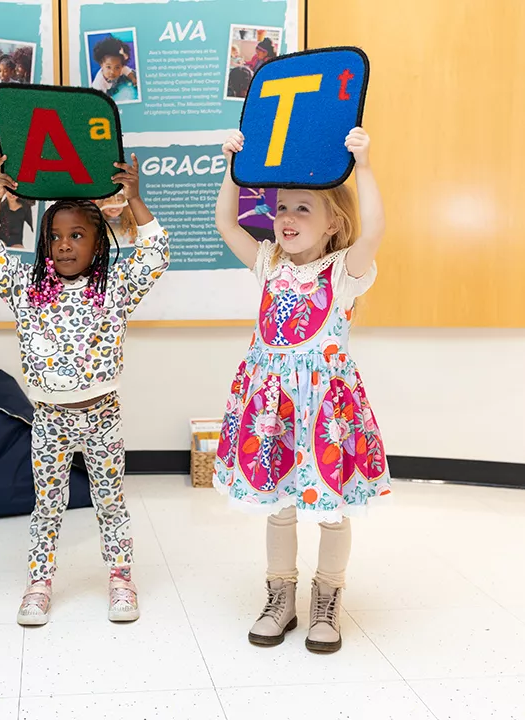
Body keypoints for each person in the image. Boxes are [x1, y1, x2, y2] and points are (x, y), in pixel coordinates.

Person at [0, 154, 168, 626]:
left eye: (76, 235)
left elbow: (156, 251)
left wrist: (135, 199)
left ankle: (121, 578)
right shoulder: (27, 287)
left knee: (110, 498)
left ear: (100, 242)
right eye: (55, 237)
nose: (63, 245)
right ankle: (39, 583)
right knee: (48, 504)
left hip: (102, 416)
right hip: (51, 419)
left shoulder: (114, 287)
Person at [213, 127, 389, 654]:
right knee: (279, 506)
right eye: (281, 207)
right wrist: (230, 167)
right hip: (273, 410)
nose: (286, 218)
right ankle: (280, 593)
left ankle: (328, 596)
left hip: (325, 414)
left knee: (329, 506)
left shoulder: (344, 271)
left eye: (303, 209)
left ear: (334, 221)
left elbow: (376, 227)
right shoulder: (268, 265)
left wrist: (365, 164)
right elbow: (226, 222)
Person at [90, 35, 138, 100]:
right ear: (101, 64)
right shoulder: (99, 83)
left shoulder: (122, 68)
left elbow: (127, 71)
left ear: (122, 66)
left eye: (117, 67)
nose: (112, 72)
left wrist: (133, 79)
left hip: (118, 82)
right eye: (108, 67)